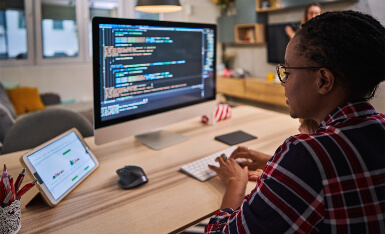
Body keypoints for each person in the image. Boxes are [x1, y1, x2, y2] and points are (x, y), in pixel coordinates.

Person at [205, 11, 385, 233]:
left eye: (287, 72)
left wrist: (235, 182)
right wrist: (275, 165)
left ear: (323, 80)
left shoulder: (308, 155)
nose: (283, 83)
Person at [285, 3, 323, 134]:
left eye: (316, 12)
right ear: (306, 15)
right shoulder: (302, 34)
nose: (314, 15)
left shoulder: (326, 35)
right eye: (311, 13)